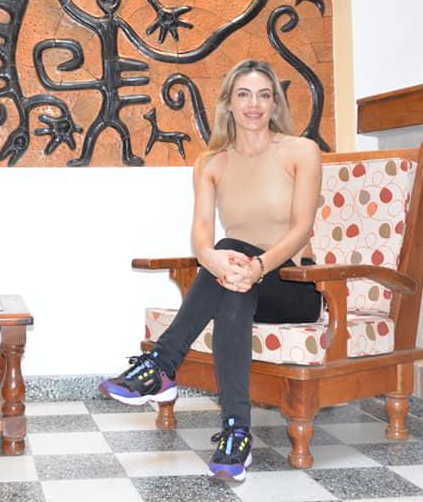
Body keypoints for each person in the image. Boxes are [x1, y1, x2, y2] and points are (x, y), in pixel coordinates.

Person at [99, 59, 322, 483]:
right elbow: (201, 232)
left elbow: (301, 230)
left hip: (294, 286)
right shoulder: (211, 163)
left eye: (264, 95)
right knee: (230, 282)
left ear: (275, 104)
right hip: (242, 283)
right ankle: (236, 435)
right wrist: (214, 259)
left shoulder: (300, 151)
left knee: (230, 252)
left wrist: (256, 265)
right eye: (244, 95)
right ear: (228, 103)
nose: (253, 105)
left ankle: (162, 365)